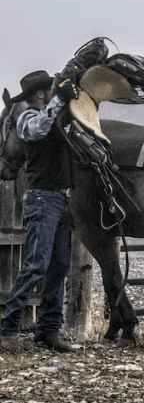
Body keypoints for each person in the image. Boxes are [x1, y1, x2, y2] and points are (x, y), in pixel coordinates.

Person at [0, 70, 79, 352]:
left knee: (58, 267)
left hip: (60, 199)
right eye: (50, 90)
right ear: (40, 94)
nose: (53, 92)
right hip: (43, 198)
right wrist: (59, 101)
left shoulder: (57, 119)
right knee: (36, 264)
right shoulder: (27, 118)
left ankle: (48, 331)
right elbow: (38, 130)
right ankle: (7, 330)